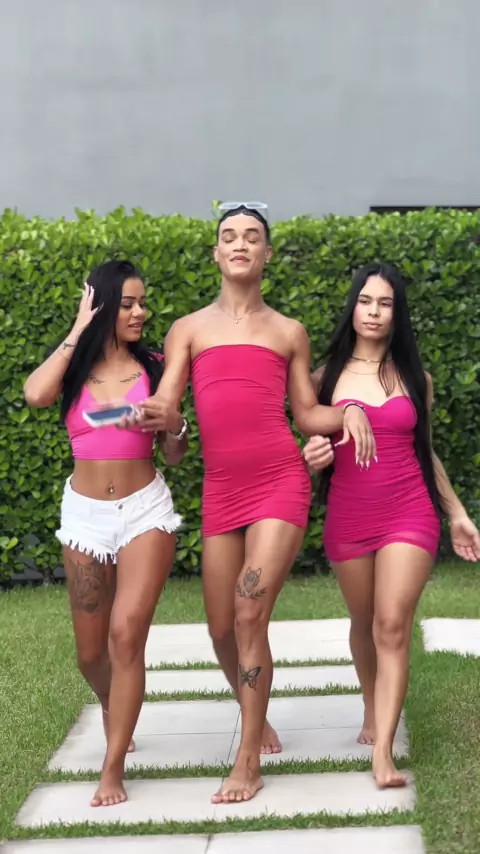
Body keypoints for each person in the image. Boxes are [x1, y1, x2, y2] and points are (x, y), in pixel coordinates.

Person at [130, 203, 376, 805]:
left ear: (266, 254)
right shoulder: (188, 329)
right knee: (219, 627)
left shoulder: (288, 331)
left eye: (252, 236)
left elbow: (306, 414)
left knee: (247, 613)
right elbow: (173, 437)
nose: (239, 244)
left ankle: (247, 761)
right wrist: (168, 422)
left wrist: (348, 411)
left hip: (278, 482)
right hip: (222, 489)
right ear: (216, 253)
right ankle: (256, 709)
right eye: (229, 236)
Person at [303, 261, 480, 789]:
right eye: (366, 301)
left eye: (385, 303)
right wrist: (312, 456)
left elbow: (426, 452)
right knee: (364, 623)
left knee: (392, 624)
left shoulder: (414, 379)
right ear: (353, 308)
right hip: (350, 516)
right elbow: (308, 447)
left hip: (409, 510)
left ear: (397, 314)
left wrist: (457, 514)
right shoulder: (322, 379)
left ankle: (383, 751)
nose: (374, 312)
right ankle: (370, 703)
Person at [23, 260, 187, 808]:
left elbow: (176, 452)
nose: (141, 312)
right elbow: (34, 394)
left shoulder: (157, 367)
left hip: (145, 511)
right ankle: (116, 706)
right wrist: (77, 328)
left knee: (125, 636)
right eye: (128, 304)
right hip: (85, 518)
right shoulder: (73, 368)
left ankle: (112, 768)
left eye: (143, 303)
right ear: (102, 307)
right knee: (91, 654)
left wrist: (174, 425)